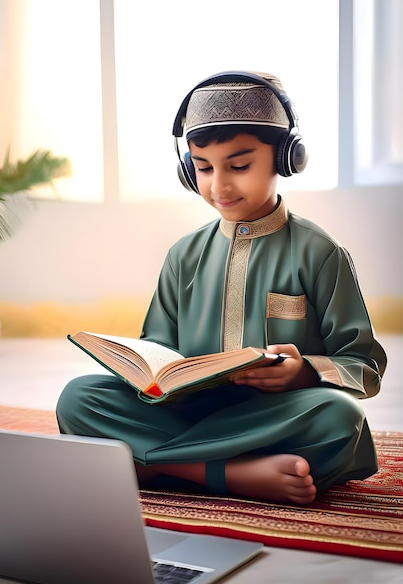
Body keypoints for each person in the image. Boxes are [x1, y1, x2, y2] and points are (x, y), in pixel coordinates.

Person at [56, 71, 387, 505]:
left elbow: (363, 363)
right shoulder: (183, 255)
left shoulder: (321, 253)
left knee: (340, 419)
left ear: (287, 158)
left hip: (273, 416)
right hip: (187, 414)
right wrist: (150, 373)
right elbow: (157, 348)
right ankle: (234, 474)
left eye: (239, 165)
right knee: (78, 398)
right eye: (203, 168)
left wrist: (301, 372)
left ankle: (154, 466)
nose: (219, 186)